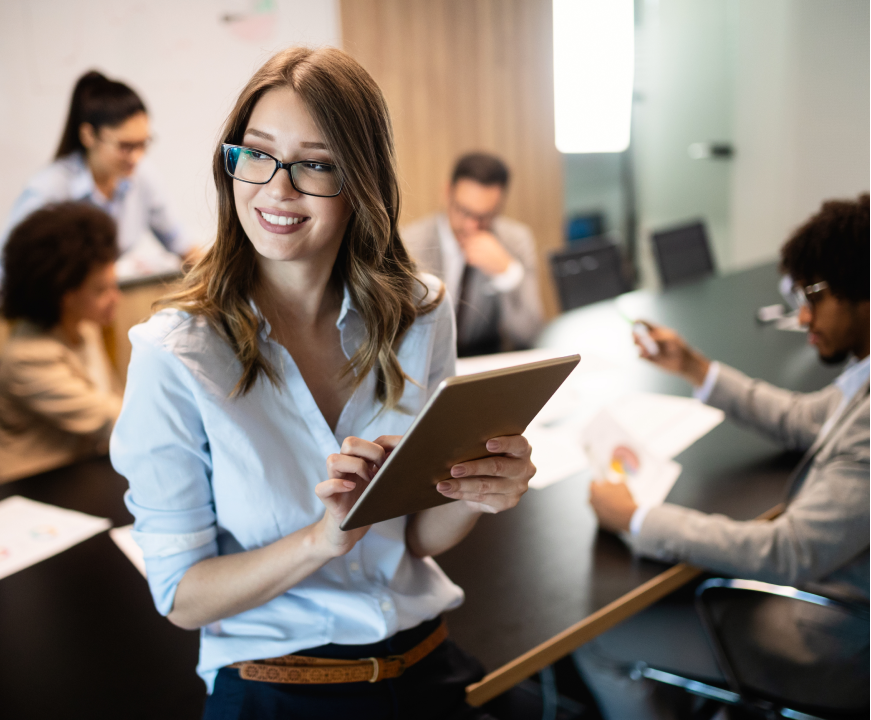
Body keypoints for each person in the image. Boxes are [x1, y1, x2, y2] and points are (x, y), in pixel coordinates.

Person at [109, 47, 537, 720]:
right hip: (278, 694)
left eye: (313, 164)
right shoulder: (175, 355)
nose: (276, 189)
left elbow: (415, 536)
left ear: (359, 179)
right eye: (256, 154)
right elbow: (181, 594)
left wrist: (480, 492)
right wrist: (321, 539)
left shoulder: (421, 312)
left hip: (426, 668)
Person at [576, 193, 870, 719]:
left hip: (835, 646)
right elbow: (805, 419)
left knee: (601, 636)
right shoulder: (861, 382)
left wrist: (637, 518)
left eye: (815, 296)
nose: (802, 316)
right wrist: (695, 368)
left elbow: (789, 552)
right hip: (842, 607)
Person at [0, 70, 194, 281]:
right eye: (126, 146)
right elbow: (7, 265)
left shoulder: (143, 176)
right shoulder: (49, 189)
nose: (137, 157)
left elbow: (183, 246)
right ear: (88, 135)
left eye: (143, 144)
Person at [0, 202, 122, 483]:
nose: (116, 298)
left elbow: (116, 405)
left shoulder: (84, 329)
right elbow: (108, 418)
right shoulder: (27, 358)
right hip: (37, 488)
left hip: (85, 475)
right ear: (64, 295)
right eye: (102, 290)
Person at [402, 153, 544, 357]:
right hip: (425, 361)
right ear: (447, 193)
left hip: (484, 361)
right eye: (464, 211)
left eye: (484, 216)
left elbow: (530, 335)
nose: (471, 226)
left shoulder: (515, 241)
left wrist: (507, 273)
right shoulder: (410, 243)